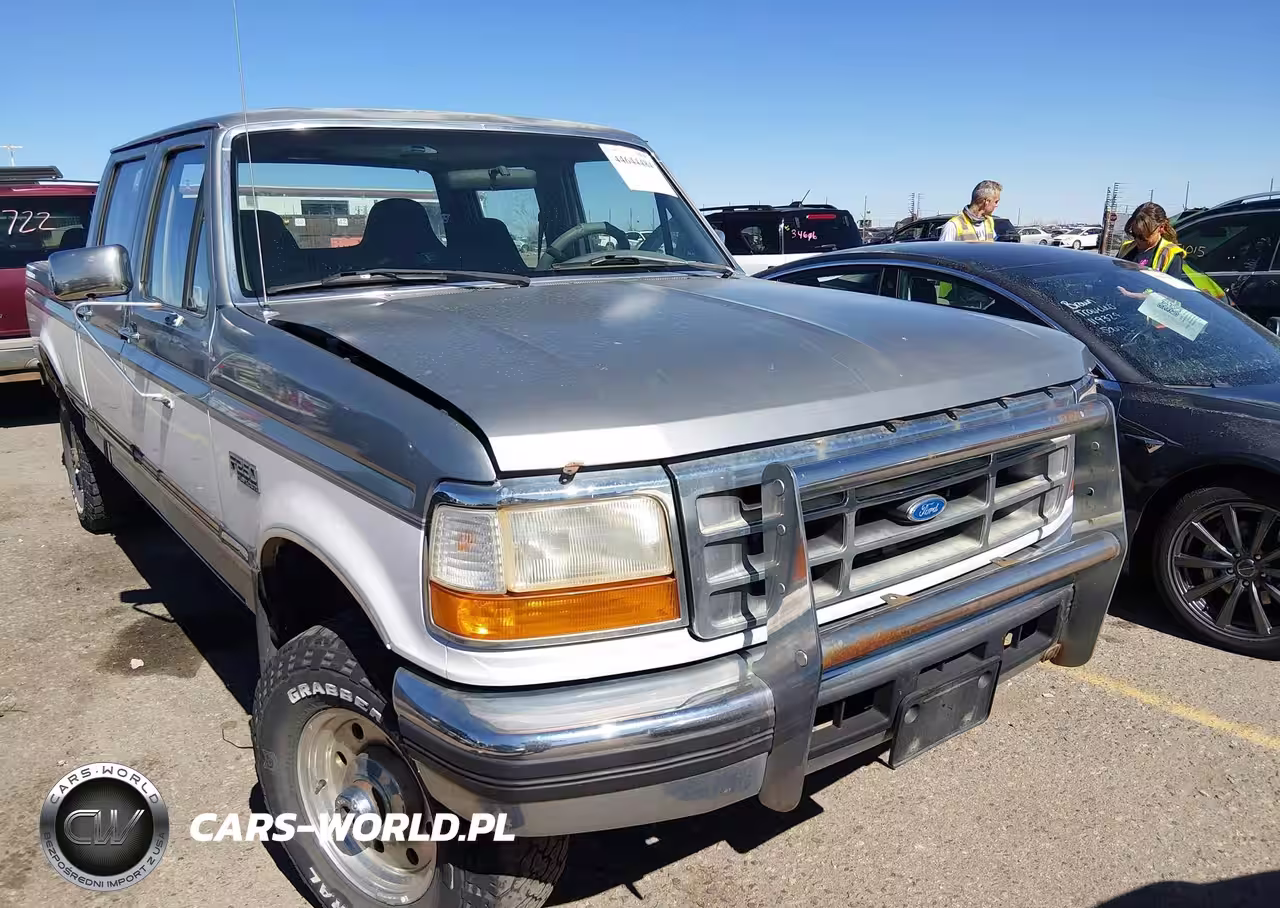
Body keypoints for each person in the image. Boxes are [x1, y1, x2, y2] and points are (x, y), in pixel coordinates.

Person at [1118, 202, 1230, 303]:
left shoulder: (1170, 254)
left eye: (1143, 237)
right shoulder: (1127, 248)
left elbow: (1171, 296)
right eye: (1134, 234)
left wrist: (1135, 296)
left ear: (1161, 228)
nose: (1138, 240)